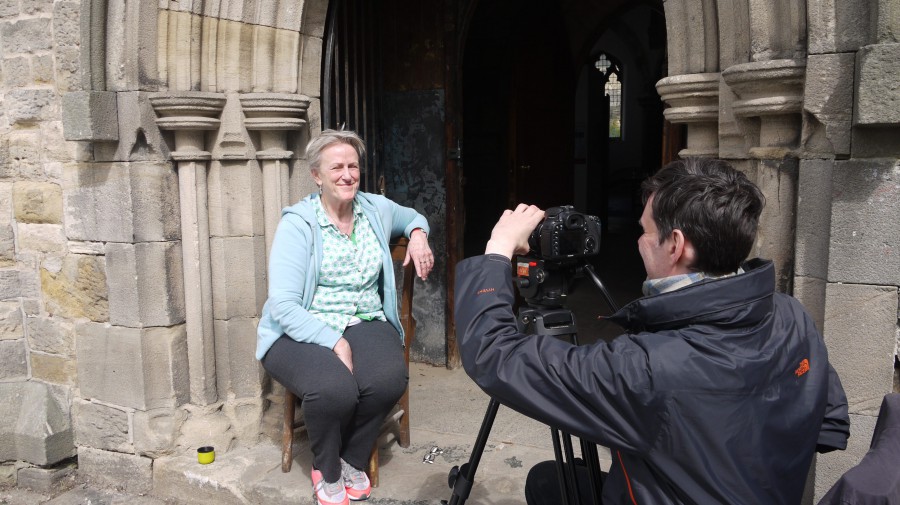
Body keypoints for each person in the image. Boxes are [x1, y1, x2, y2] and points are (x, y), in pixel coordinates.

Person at [453, 157, 850, 504]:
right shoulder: (790, 314)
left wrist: (497, 252)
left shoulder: (649, 369)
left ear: (675, 245)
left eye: (643, 231)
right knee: (555, 479)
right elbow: (830, 426)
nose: (639, 243)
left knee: (545, 482)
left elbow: (493, 355)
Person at [256, 129, 434, 505]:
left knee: (388, 380)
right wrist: (333, 341)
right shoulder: (299, 224)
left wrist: (418, 233)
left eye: (353, 166)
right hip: (302, 327)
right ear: (317, 176)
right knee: (334, 390)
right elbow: (284, 305)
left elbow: (412, 216)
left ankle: (352, 457)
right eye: (336, 167)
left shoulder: (375, 208)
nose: (347, 174)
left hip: (364, 318)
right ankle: (327, 468)